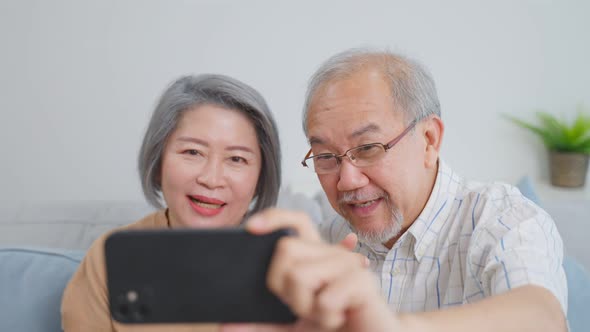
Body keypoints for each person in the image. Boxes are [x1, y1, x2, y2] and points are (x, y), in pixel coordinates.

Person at [223, 49, 568, 331]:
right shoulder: (327, 242)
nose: (347, 181)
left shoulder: (500, 216)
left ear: (430, 140)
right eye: (326, 156)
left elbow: (543, 316)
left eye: (369, 147)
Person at [61, 74, 282, 331]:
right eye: (192, 152)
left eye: (236, 159)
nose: (211, 179)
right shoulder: (110, 258)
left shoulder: (288, 262)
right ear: (158, 162)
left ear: (261, 177)